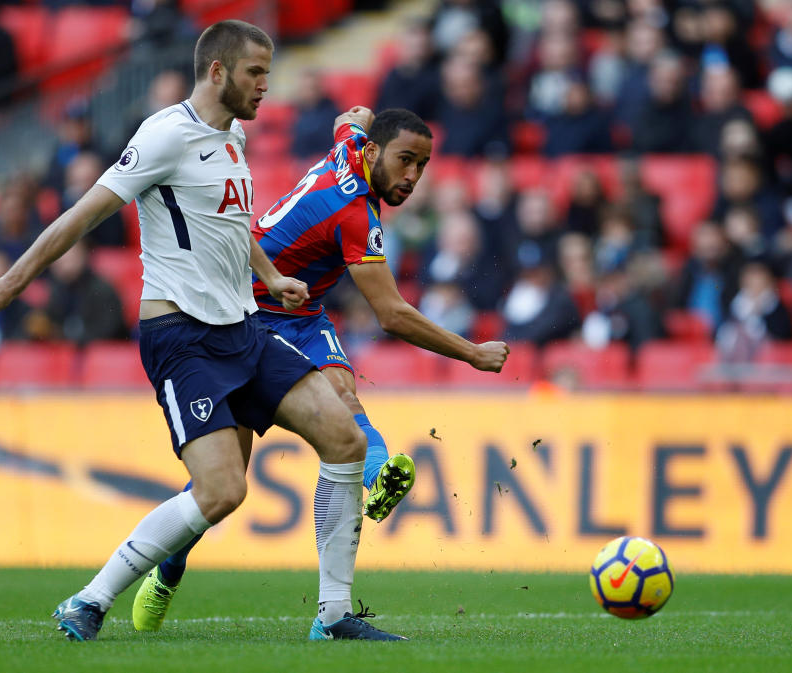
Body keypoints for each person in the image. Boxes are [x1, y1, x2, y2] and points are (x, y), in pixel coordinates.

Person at [0, 20, 406, 643]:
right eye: (256, 72)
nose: (265, 86)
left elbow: (233, 227)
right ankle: (88, 600)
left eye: (269, 73)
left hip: (242, 329)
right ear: (217, 71)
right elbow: (84, 213)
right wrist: (12, 282)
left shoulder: (232, 136)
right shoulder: (166, 135)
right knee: (224, 490)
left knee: (344, 438)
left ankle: (332, 617)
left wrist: (273, 277)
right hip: (181, 337)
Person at [131, 106, 510, 630]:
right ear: (375, 153)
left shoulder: (353, 146)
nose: (413, 176)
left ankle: (373, 489)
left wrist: (357, 119)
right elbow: (392, 314)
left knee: (344, 401)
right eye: (406, 161)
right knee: (222, 486)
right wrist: (472, 352)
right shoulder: (354, 211)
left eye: (422, 165)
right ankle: (167, 571)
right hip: (246, 312)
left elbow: (348, 119)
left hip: (302, 311)